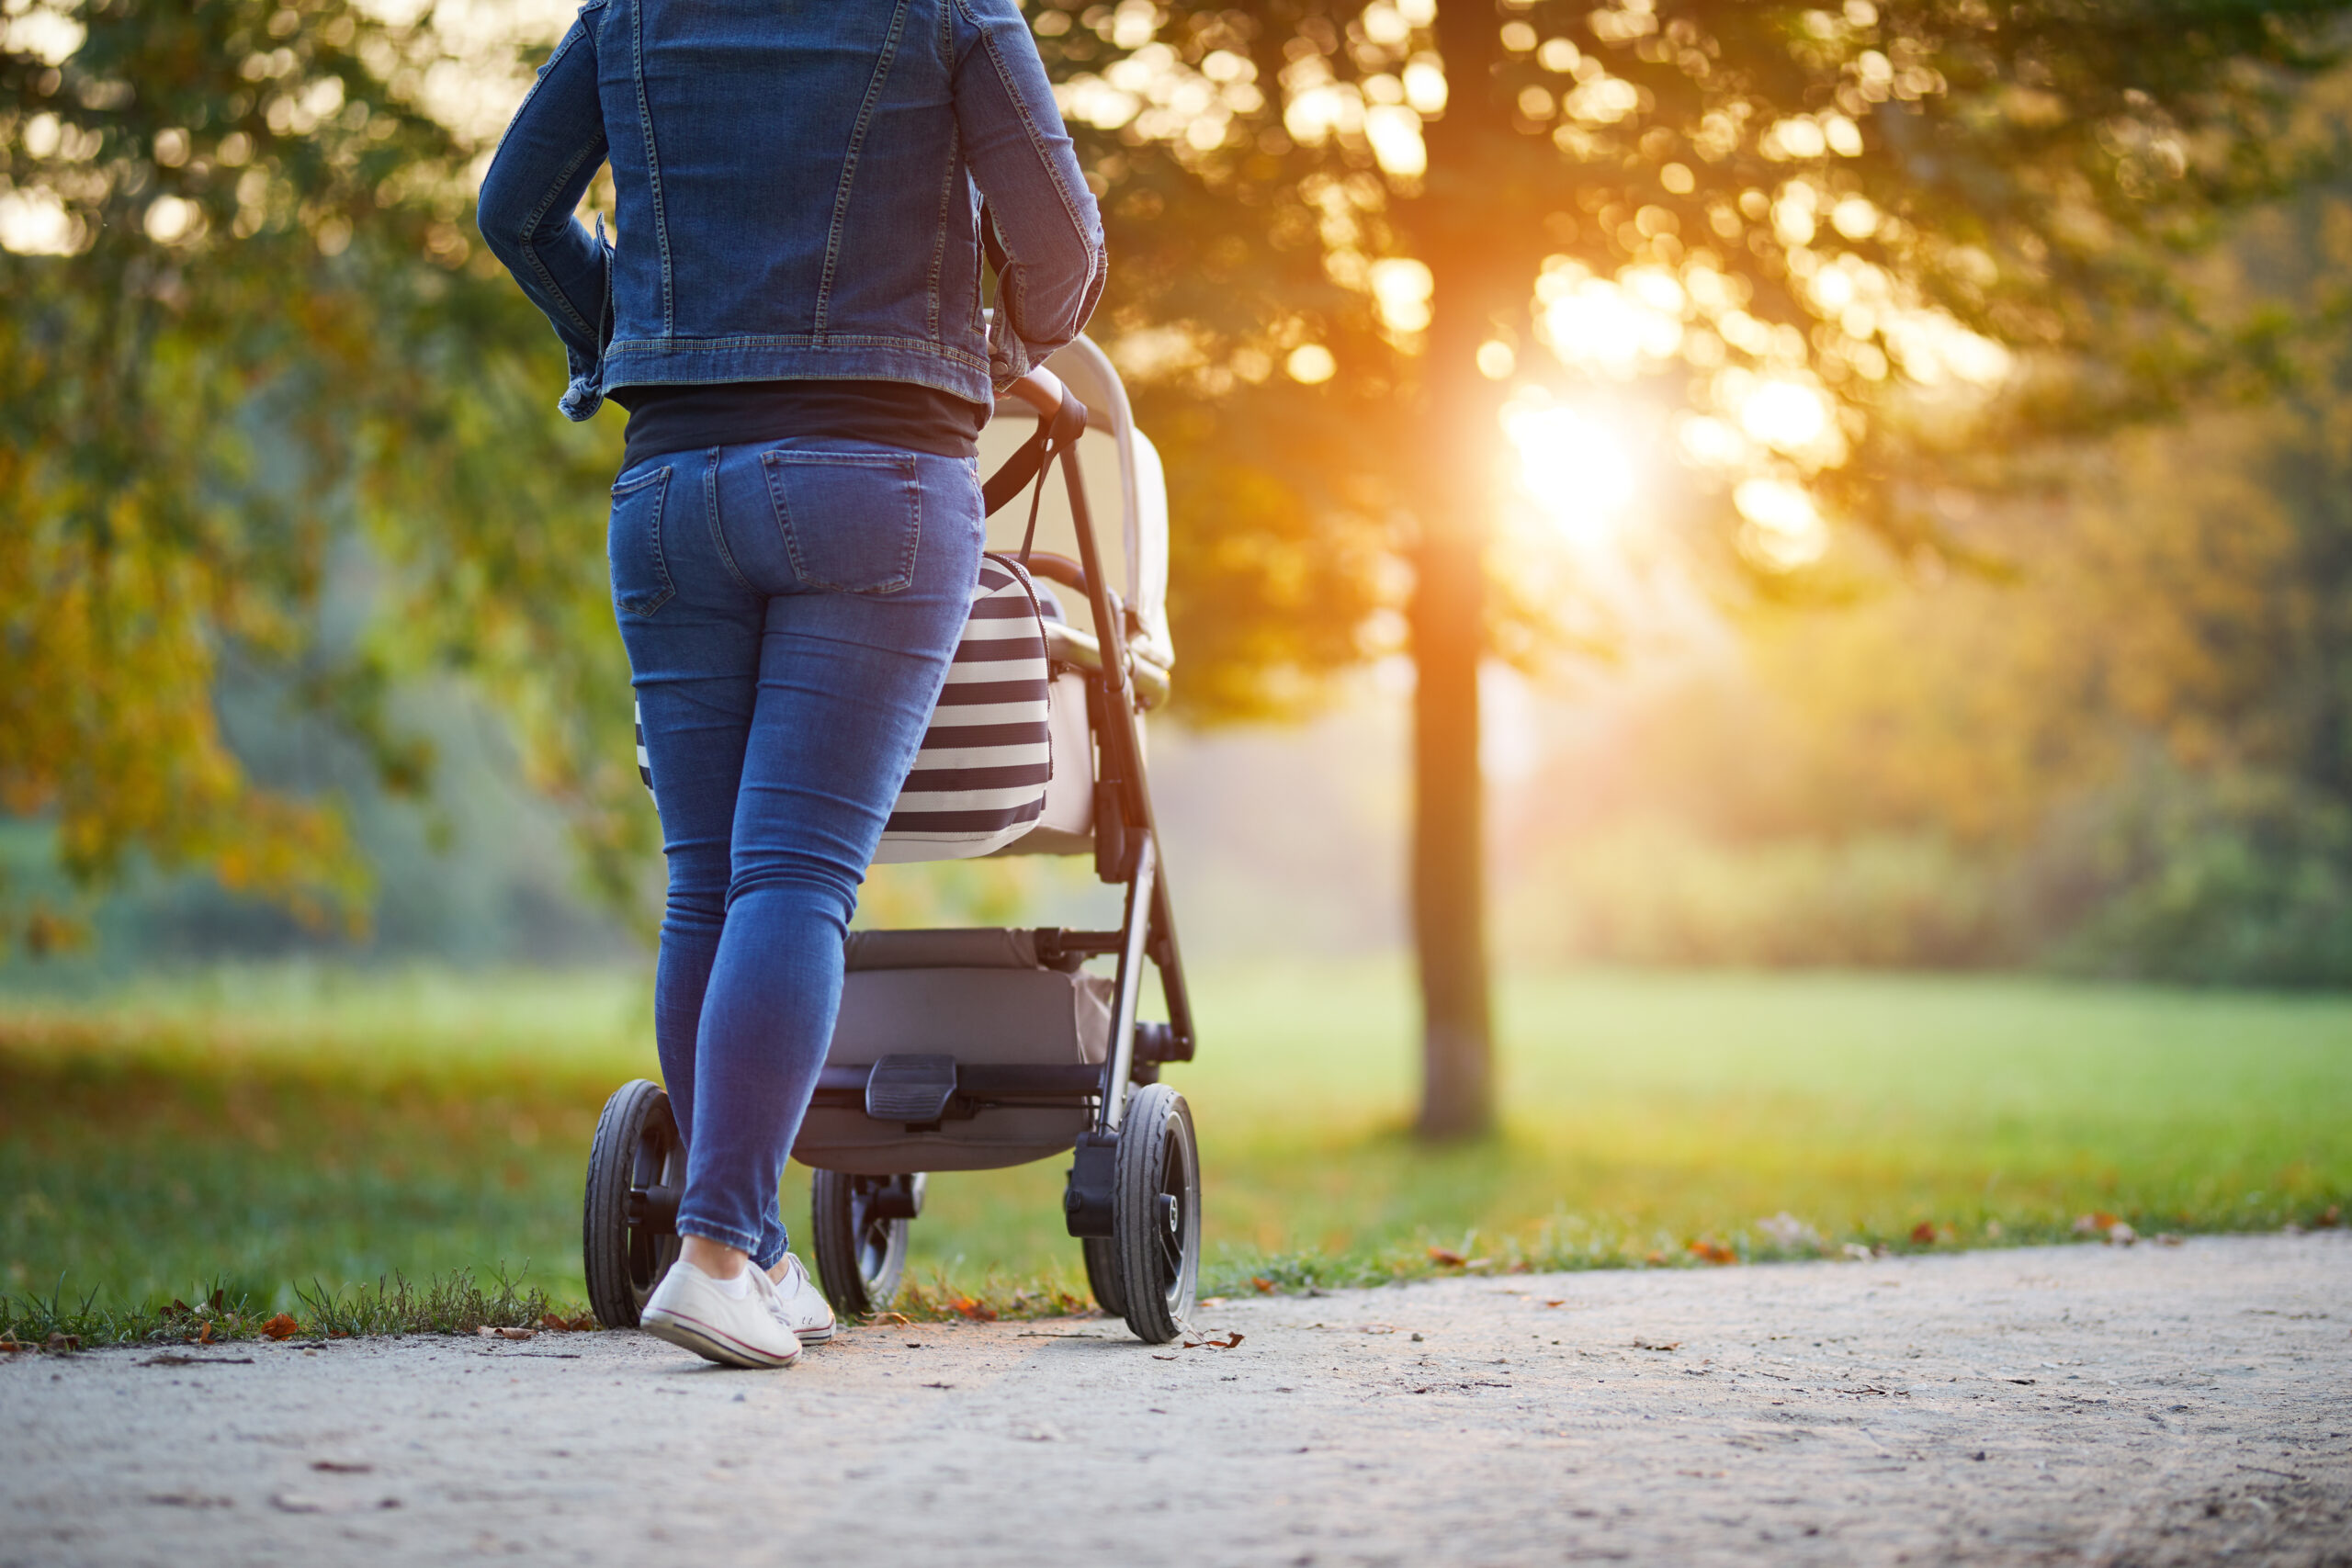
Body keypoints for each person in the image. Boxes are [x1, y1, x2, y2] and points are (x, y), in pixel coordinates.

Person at [478, 0, 1104, 1369]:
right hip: (875, 478)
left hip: (670, 486)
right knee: (797, 877)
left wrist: (624, 334)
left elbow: (515, 211)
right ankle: (712, 1250)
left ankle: (754, 1250)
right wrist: (1003, 348)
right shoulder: (951, 9)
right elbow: (1061, 243)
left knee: (709, 878)